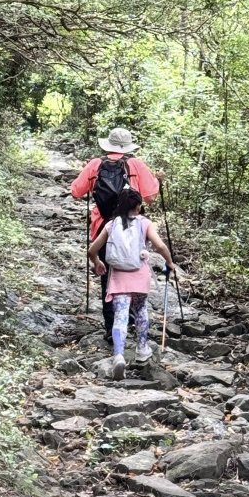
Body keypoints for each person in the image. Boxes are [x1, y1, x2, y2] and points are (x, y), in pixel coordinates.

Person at [70, 127, 162, 341]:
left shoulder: (95, 164)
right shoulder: (135, 165)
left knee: (108, 275)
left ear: (108, 145)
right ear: (128, 146)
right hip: (133, 230)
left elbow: (75, 192)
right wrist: (157, 180)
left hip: (103, 227)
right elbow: (150, 197)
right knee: (132, 271)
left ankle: (112, 326)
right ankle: (131, 319)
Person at [88, 187, 176, 379]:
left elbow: (92, 250)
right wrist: (169, 262)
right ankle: (142, 350)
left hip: (119, 276)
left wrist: (97, 262)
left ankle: (118, 355)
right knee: (141, 310)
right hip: (139, 274)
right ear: (138, 206)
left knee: (120, 314)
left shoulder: (111, 225)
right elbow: (160, 246)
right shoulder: (145, 223)